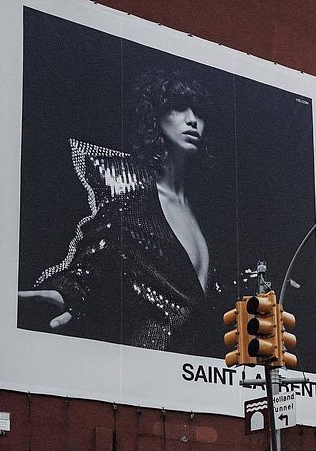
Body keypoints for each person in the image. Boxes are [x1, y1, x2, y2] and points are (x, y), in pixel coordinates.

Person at [18, 66, 222, 355]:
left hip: (203, 374)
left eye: (198, 112)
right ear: (155, 116)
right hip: (147, 365)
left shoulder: (209, 215)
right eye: (178, 107)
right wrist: (69, 293)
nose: (192, 121)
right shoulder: (132, 199)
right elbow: (94, 256)